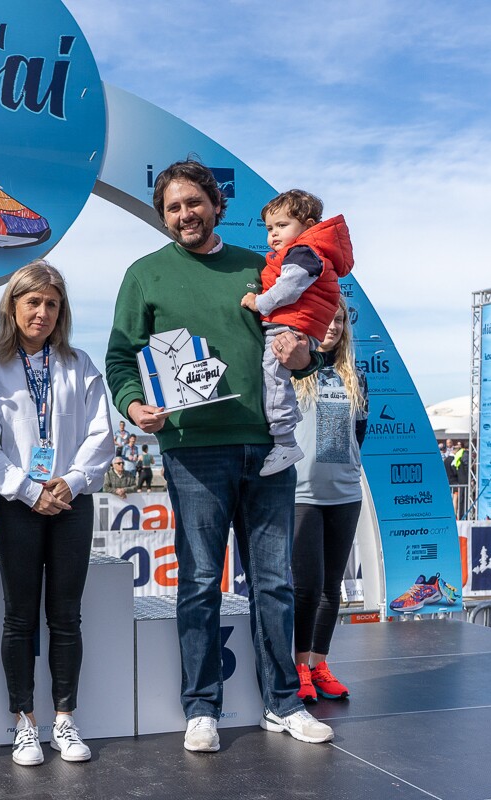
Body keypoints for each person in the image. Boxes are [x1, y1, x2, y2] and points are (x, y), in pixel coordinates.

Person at [105, 160, 333, 751]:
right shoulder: (144, 275)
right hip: (193, 451)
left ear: (216, 206)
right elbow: (121, 358)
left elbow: (308, 339)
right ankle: (202, 707)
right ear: (163, 216)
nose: (185, 214)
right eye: (173, 207)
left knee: (274, 583)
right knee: (201, 581)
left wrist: (304, 357)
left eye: (194, 203)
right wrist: (133, 405)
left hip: (267, 449)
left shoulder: (263, 266)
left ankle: (284, 703)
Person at [0, 260, 114, 766]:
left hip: (72, 502)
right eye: (33, 301)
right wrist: (29, 491)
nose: (43, 312)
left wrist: (70, 482)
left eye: (52, 304)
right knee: (19, 617)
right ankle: (25, 723)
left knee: (67, 616)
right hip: (18, 506)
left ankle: (65, 720)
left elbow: (102, 434)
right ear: (12, 306)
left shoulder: (80, 364)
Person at [240, 190, 354, 476]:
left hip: (290, 326)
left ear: (308, 225)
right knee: (276, 379)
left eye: (282, 225)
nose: (274, 234)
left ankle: (285, 441)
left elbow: (288, 290)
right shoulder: (306, 251)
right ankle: (287, 422)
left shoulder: (304, 252)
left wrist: (259, 302)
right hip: (295, 323)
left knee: (273, 377)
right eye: (269, 228)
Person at [289, 298, 368, 702]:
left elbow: (358, 435)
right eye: (327, 318)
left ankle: (319, 664)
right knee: (306, 588)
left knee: (331, 588)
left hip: (345, 495)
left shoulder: (355, 376)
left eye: (339, 320)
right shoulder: (292, 371)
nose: (333, 326)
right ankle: (299, 666)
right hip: (301, 495)